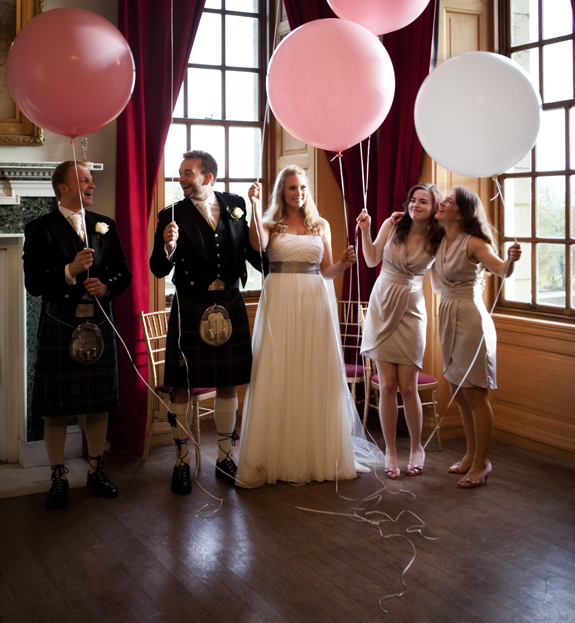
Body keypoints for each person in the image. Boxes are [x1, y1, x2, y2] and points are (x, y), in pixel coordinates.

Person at [236, 166, 360, 488]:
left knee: (313, 372)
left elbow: (327, 271)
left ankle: (316, 453)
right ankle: (275, 456)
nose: (299, 193)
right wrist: (253, 204)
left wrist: (343, 264)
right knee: (280, 371)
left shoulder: (320, 225)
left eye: (302, 187)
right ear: (282, 191)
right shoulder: (269, 223)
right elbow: (258, 244)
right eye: (292, 188)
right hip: (280, 300)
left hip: (314, 301)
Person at [150, 150, 264, 493]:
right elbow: (158, 268)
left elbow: (256, 255)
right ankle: (182, 462)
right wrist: (168, 247)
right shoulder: (171, 214)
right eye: (181, 173)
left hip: (229, 301)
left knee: (228, 383)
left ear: (208, 177)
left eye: (188, 173)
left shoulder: (234, 204)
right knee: (182, 385)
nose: (181, 178)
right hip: (190, 305)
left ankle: (226, 456)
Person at [23, 160, 132, 510]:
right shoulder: (39, 229)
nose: (92, 184)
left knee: (98, 404)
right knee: (55, 409)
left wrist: (106, 285)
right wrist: (69, 270)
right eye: (84, 179)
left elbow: (123, 273)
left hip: (98, 322)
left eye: (91, 179)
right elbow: (34, 283)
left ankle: (96, 469)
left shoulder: (105, 226)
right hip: (61, 324)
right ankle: (58, 474)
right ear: (64, 188)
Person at [432, 186, 521, 488]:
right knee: (458, 390)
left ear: (462, 212)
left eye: (449, 201)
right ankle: (470, 454)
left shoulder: (474, 243)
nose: (442, 203)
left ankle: (482, 462)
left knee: (475, 393)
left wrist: (510, 259)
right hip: (446, 314)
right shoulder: (441, 240)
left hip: (471, 319)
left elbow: (500, 269)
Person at [358, 183, 443, 479]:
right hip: (381, 305)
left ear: (435, 209)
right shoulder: (392, 225)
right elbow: (371, 260)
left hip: (412, 308)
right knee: (387, 385)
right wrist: (366, 230)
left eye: (423, 202)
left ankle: (417, 447)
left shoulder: (439, 236)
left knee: (408, 386)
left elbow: (450, 266)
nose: (415, 205)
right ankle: (391, 452)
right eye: (413, 200)